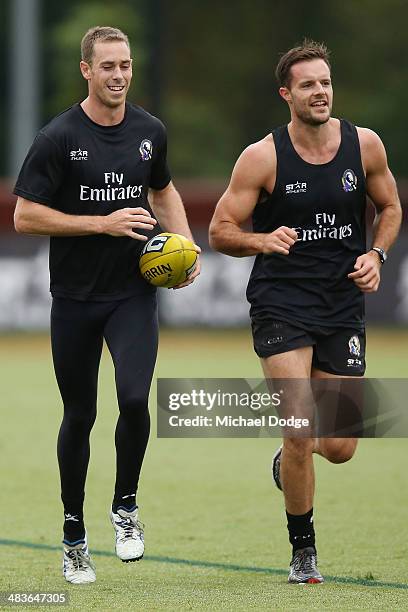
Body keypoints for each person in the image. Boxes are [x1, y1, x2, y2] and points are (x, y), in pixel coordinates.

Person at [209, 40, 401, 583]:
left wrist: (377, 253)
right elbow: (221, 231)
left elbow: (389, 206)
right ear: (286, 94)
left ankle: (285, 464)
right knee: (299, 429)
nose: (320, 92)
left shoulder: (364, 146)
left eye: (325, 82)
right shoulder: (262, 157)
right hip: (281, 306)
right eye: (308, 84)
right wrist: (263, 240)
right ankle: (304, 554)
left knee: (338, 447)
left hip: (341, 308)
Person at [14, 26, 200, 584]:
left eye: (126, 65)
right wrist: (103, 222)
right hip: (73, 299)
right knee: (80, 415)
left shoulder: (150, 131)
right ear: (86, 71)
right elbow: (25, 216)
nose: (119, 75)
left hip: (132, 294)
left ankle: (125, 507)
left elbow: (162, 188)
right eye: (108, 66)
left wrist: (185, 245)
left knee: (137, 398)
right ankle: (74, 535)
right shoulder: (57, 137)